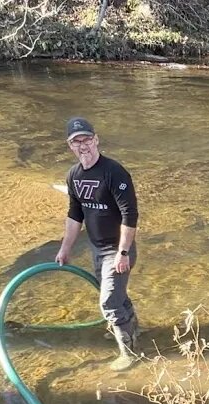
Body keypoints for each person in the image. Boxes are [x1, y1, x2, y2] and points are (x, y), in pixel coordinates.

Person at [56, 117, 141, 371]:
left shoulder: (114, 172)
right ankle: (133, 330)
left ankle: (129, 354)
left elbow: (130, 214)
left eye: (86, 139)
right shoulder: (74, 175)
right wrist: (65, 248)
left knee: (109, 302)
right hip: (97, 248)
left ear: (96, 140)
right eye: (76, 141)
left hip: (118, 249)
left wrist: (123, 252)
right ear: (70, 145)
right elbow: (75, 215)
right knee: (116, 296)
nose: (83, 145)